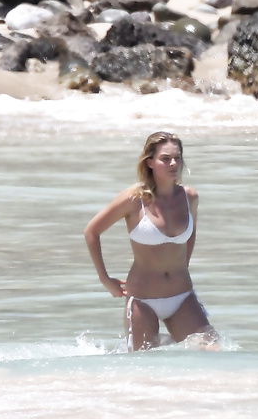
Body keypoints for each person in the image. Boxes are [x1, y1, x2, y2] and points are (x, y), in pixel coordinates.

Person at [84, 132, 218, 352]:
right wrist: (105, 279)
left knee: (213, 353)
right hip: (142, 300)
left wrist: (182, 265)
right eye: (165, 159)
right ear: (150, 162)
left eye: (177, 157)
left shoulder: (189, 197)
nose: (173, 163)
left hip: (182, 296)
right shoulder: (133, 199)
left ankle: (167, 342)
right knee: (144, 364)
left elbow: (191, 232)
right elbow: (92, 231)